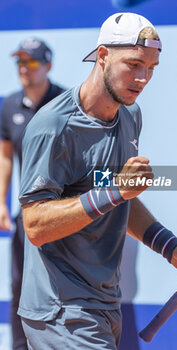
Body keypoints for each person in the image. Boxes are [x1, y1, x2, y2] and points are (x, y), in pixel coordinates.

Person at [18, 13, 177, 349]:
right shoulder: (52, 126)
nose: (143, 78)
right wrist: (115, 190)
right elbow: (36, 225)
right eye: (134, 64)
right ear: (102, 55)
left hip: (104, 304)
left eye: (151, 68)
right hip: (60, 310)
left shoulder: (130, 115)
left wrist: (172, 250)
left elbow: (120, 199)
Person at [0, 38, 65, 350]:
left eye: (32, 62)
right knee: (20, 286)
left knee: (62, 290)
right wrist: (1, 201)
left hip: (65, 216)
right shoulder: (9, 105)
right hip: (27, 217)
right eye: (20, 62)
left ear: (48, 66)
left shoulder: (66, 103)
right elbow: (5, 156)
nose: (25, 69)